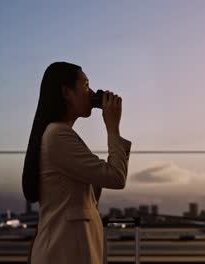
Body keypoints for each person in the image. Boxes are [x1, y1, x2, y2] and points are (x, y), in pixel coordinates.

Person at [22, 62, 132, 264]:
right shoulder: (57, 135)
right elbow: (116, 177)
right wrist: (113, 129)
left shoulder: (61, 135)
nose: (91, 92)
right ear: (66, 92)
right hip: (62, 253)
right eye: (85, 84)